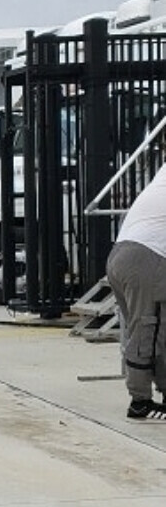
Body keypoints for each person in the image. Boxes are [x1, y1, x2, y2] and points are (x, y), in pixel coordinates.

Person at [106, 162, 166, 420]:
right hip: (146, 258)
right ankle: (140, 401)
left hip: (122, 253)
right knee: (147, 331)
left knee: (153, 329)